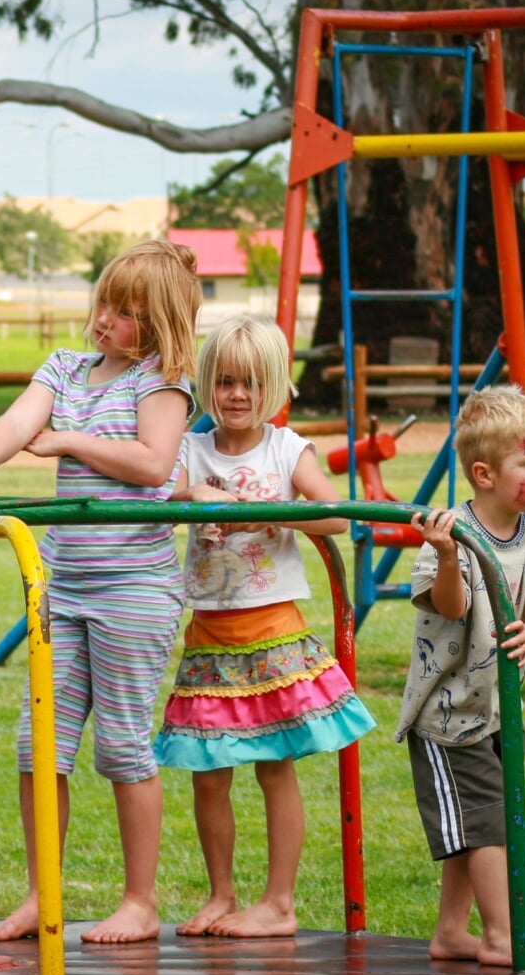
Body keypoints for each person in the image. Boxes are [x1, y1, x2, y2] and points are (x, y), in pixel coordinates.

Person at [0, 239, 199, 944]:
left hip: (134, 589)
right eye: (104, 303)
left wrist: (68, 443)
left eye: (126, 314)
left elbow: (155, 464)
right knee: (38, 746)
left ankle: (139, 900)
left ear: (155, 328)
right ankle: (43, 892)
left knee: (123, 747)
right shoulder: (65, 369)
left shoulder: (159, 382)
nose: (105, 322)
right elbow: (16, 423)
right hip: (63, 587)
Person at [155, 315, 375, 939]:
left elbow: (334, 516)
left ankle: (279, 902)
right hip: (210, 636)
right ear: (206, 384)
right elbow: (160, 494)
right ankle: (221, 893)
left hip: (274, 631)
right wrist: (195, 495)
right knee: (207, 771)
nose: (237, 395)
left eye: (252, 382)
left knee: (276, 766)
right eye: (225, 381)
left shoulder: (286, 449)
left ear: (275, 386)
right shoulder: (190, 451)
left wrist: (277, 510)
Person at [401, 386, 525, 972]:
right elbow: (449, 607)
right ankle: (501, 936)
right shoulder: (453, 533)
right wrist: (448, 555)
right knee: (488, 825)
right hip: (448, 717)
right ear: (483, 473)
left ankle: (452, 932)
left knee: (475, 828)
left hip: (496, 709)